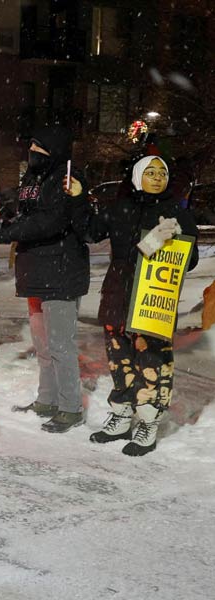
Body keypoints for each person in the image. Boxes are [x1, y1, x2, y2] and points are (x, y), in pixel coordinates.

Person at [74, 155, 198, 454]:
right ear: (137, 176)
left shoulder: (175, 212)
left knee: (152, 358)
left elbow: (190, 261)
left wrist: (172, 240)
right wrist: (78, 198)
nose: (157, 177)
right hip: (118, 290)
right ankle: (122, 413)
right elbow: (89, 232)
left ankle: (148, 420)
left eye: (162, 173)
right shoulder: (119, 208)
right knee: (120, 356)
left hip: (154, 296)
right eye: (150, 172)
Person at [0, 126, 90, 433]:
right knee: (42, 343)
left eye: (40, 150)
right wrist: (0, 220)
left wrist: (2, 234)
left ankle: (70, 407)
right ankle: (47, 398)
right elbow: (22, 215)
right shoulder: (33, 179)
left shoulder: (66, 179)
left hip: (61, 271)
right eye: (32, 148)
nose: (33, 154)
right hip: (36, 271)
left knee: (60, 344)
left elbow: (47, 222)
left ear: (54, 152)